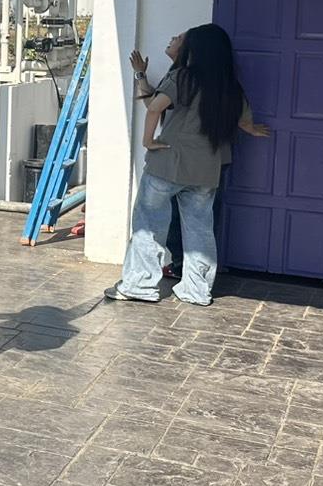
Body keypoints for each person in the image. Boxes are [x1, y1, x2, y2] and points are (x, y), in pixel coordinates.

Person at [106, 24, 271, 306]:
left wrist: (148, 140)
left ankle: (139, 285)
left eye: (183, 39)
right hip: (206, 171)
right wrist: (255, 130)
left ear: (195, 49)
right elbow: (245, 123)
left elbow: (154, 107)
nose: (176, 40)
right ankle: (196, 290)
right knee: (199, 231)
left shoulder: (183, 77)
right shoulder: (230, 85)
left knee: (148, 225)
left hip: (169, 164)